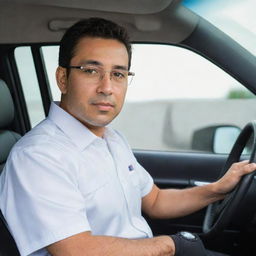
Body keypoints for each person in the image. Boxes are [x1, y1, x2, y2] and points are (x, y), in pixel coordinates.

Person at [0, 17, 255, 256]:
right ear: (63, 78)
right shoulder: (39, 156)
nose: (107, 87)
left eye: (118, 74)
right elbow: (75, 249)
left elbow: (155, 200)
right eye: (91, 71)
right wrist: (168, 245)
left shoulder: (112, 139)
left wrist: (217, 190)